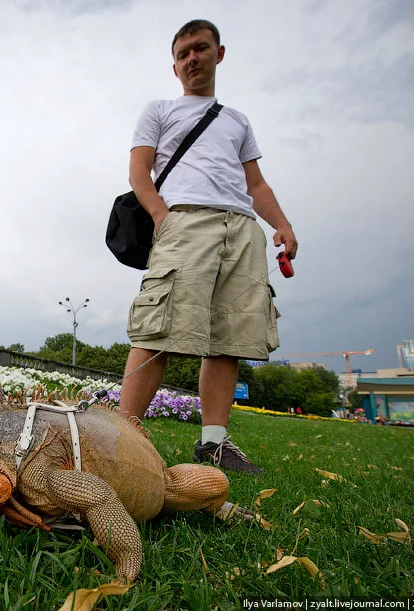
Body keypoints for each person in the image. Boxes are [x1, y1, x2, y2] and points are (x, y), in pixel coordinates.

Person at [117, 19, 298, 475]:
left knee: (228, 338)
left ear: (219, 54)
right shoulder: (160, 110)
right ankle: (121, 438)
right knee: (158, 328)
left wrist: (280, 224)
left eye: (200, 49)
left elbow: (255, 183)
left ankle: (214, 444)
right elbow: (139, 171)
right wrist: (162, 216)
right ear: (174, 67)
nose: (192, 59)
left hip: (242, 228)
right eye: (183, 54)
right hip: (186, 220)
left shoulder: (238, 120)